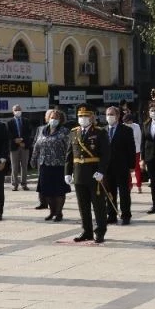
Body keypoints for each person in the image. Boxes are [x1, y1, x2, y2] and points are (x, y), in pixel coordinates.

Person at [65, 104, 110, 243]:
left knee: (98, 205)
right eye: (80, 116)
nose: (82, 118)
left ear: (91, 117)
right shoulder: (74, 132)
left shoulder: (100, 132)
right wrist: (67, 172)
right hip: (79, 173)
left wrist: (101, 171)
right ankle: (87, 231)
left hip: (94, 174)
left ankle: (100, 231)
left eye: (85, 116)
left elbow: (106, 154)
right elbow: (69, 154)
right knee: (83, 205)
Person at [31, 109, 71, 222]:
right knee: (46, 191)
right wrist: (33, 159)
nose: (53, 120)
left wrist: (70, 164)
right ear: (48, 118)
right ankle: (52, 211)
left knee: (59, 191)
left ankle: (59, 213)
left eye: (56, 118)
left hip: (59, 165)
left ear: (61, 119)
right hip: (44, 164)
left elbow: (69, 149)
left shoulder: (65, 131)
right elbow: (36, 146)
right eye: (52, 117)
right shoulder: (42, 130)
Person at [103, 106, 136, 225]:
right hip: (107, 167)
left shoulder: (126, 130)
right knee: (109, 192)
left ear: (117, 116)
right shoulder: (103, 130)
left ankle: (126, 215)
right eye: (108, 114)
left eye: (112, 114)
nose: (109, 117)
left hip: (122, 166)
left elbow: (131, 148)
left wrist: (131, 165)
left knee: (124, 192)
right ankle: (111, 214)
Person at [7, 104, 32, 191]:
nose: (17, 111)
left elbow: (29, 133)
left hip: (24, 146)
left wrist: (22, 141)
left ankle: (24, 184)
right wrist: (15, 140)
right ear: (13, 112)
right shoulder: (9, 122)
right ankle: (15, 184)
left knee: (24, 166)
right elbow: (8, 134)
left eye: (19, 109)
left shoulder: (26, 121)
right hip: (14, 147)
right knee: (14, 166)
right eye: (16, 110)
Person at [33, 109, 54, 209]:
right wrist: (34, 157)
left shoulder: (60, 130)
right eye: (49, 116)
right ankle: (43, 202)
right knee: (41, 181)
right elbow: (35, 142)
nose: (50, 118)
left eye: (52, 116)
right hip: (42, 159)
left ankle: (53, 202)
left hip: (55, 160)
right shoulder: (40, 129)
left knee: (53, 182)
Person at [123, 114, 143, 193]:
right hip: (126, 151)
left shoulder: (136, 126)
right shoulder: (122, 127)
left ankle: (139, 185)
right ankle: (129, 185)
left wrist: (140, 150)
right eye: (127, 122)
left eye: (130, 121)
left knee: (137, 168)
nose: (128, 123)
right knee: (127, 169)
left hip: (136, 150)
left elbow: (139, 138)